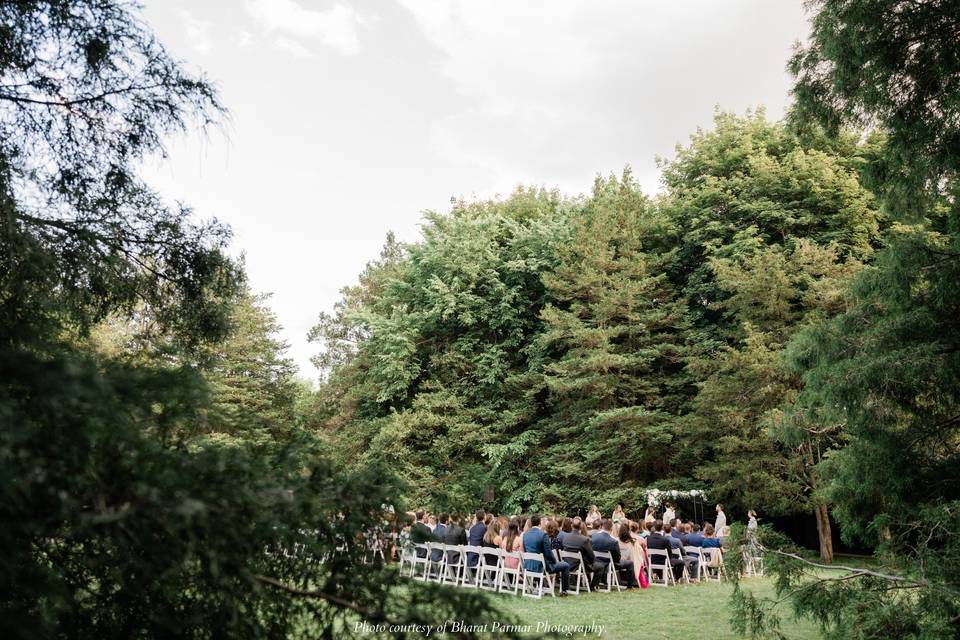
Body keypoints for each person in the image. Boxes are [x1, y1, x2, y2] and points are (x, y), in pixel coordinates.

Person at [522, 514, 571, 596]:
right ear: (540, 523)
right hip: (542, 567)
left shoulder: (525, 534)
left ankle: (540, 587)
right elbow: (548, 553)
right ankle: (564, 591)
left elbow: (526, 550)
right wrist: (554, 561)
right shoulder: (543, 535)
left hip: (528, 566)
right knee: (565, 565)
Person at [591, 518, 639, 588]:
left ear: (602, 527)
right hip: (610, 564)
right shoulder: (613, 541)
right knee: (630, 563)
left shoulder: (594, 536)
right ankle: (630, 586)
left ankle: (604, 582)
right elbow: (617, 558)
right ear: (611, 529)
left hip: (596, 561)